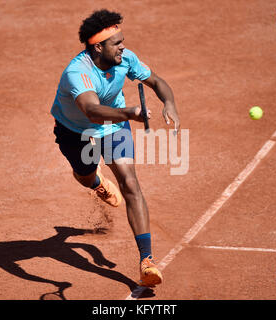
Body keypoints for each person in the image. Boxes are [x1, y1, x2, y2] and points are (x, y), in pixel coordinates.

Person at [50, 9, 180, 288]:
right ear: (98, 47)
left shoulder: (125, 59)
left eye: (122, 41)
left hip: (113, 128)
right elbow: (93, 112)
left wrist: (169, 103)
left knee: (130, 183)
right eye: (116, 43)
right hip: (76, 131)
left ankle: (147, 261)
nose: (123, 47)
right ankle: (95, 181)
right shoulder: (78, 72)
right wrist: (130, 113)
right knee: (84, 175)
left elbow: (156, 81)